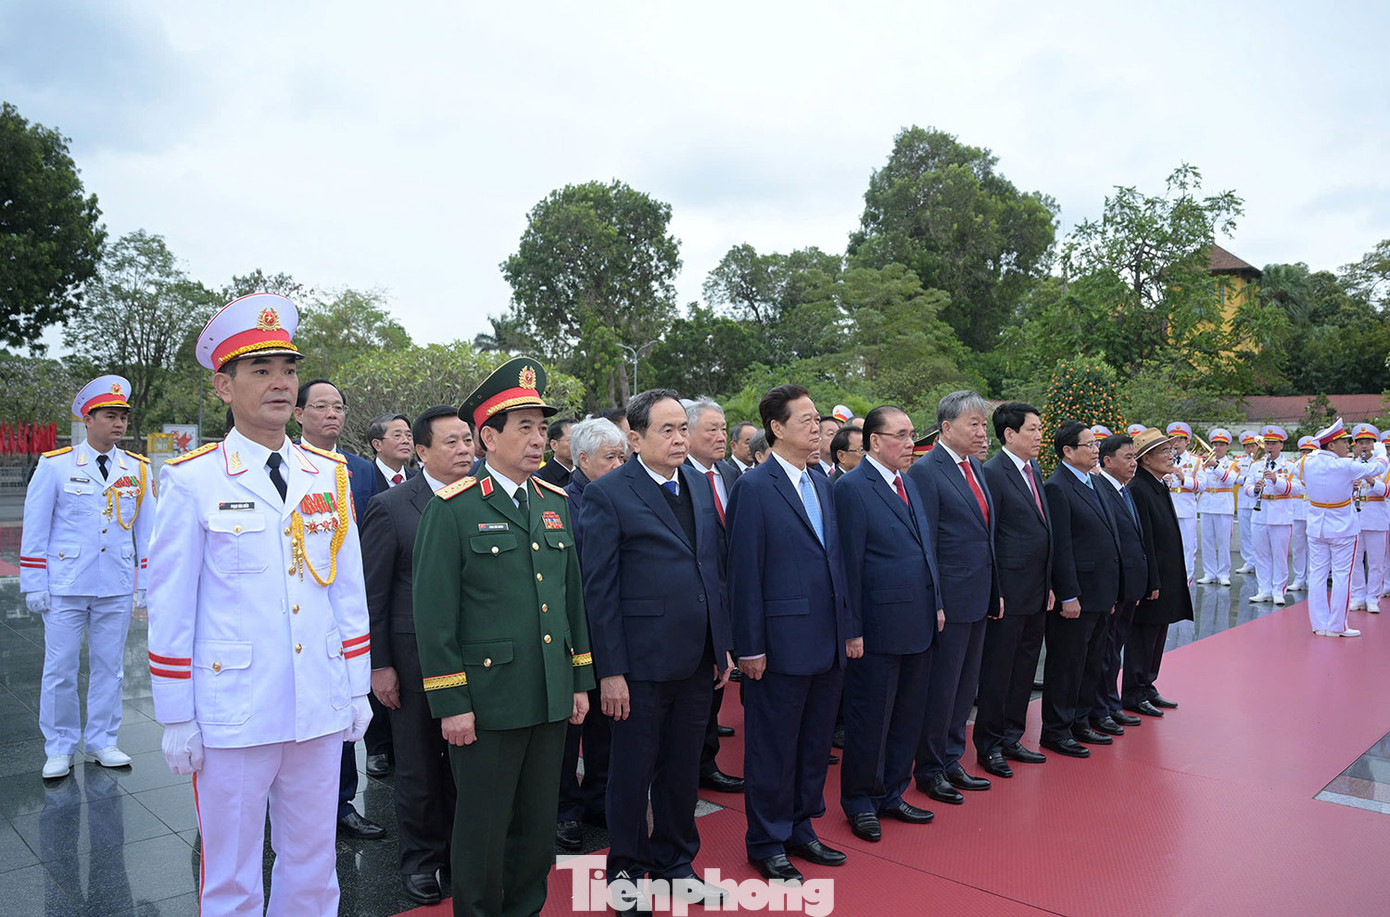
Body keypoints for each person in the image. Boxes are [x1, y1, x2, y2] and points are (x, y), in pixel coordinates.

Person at [147, 292, 373, 915]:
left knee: (312, 863)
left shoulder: (327, 474)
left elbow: (347, 590)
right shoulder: (192, 479)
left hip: (318, 700)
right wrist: (175, 714)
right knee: (232, 873)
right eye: (261, 371)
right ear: (224, 386)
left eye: (289, 370)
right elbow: (171, 604)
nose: (281, 383)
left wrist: (356, 686)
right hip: (234, 710)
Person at [412, 356, 595, 917]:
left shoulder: (555, 504)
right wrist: (451, 703)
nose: (539, 439)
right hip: (487, 701)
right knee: (484, 828)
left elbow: (571, 603)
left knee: (536, 828)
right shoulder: (454, 508)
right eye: (525, 428)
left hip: (547, 692)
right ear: (487, 437)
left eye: (542, 428)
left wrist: (579, 679)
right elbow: (434, 616)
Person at [579, 390, 733, 908]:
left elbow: (711, 569)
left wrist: (722, 645)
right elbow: (598, 590)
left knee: (682, 768)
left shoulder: (697, 482)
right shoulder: (610, 494)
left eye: (681, 429)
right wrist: (611, 671)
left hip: (696, 658)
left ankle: (675, 863)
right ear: (636, 437)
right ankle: (625, 876)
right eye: (665, 430)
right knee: (631, 772)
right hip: (639, 665)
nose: (678, 439)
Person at [726, 384, 856, 885]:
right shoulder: (755, 487)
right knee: (773, 747)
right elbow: (743, 572)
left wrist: (848, 628)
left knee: (814, 743)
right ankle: (766, 840)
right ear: (776, 429)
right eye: (805, 419)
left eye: (817, 417)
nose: (816, 425)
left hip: (827, 638)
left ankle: (802, 827)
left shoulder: (822, 481)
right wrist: (750, 645)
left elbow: (835, 561)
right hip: (778, 644)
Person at [360, 405, 474, 904]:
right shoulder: (391, 506)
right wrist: (379, 664)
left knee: (466, 762)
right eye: (451, 442)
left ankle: (461, 851)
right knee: (420, 764)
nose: (464, 450)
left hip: (474, 655)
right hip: (410, 661)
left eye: (469, 441)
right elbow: (374, 594)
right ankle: (422, 860)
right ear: (422, 451)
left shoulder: (483, 500)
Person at [21, 374, 154, 779]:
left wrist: (145, 583)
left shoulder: (137, 469)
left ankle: (102, 740)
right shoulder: (56, 465)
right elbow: (36, 526)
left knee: (109, 666)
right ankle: (59, 746)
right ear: (88, 419)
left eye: (123, 418)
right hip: (66, 583)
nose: (118, 425)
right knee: (59, 667)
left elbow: (148, 533)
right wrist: (34, 582)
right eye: (110, 416)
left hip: (114, 583)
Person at [835, 406, 942, 842]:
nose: (910, 443)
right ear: (874, 441)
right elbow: (849, 564)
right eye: (900, 435)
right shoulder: (852, 488)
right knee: (870, 719)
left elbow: (925, 549)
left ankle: (892, 792)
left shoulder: (910, 484)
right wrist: (853, 628)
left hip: (918, 620)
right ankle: (860, 800)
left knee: (906, 716)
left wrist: (936, 601)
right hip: (877, 627)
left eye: (912, 434)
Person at [292, 377, 391, 832]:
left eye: (338, 407)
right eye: (321, 406)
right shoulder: (289, 464)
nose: (332, 414)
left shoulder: (359, 468)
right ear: (299, 414)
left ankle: (342, 802)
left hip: (349, 598)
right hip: (299, 601)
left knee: (345, 704)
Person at [907, 391, 1001, 803]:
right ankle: (929, 768)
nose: (983, 432)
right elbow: (926, 544)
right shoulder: (926, 472)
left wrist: (995, 590)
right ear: (946, 427)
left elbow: (985, 536)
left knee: (964, 687)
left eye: (984, 424)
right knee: (941, 688)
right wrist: (937, 602)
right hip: (948, 600)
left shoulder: (975, 468)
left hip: (978, 596)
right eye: (975, 424)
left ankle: (950, 758)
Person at [556, 418, 627, 852]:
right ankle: (564, 809)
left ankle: (599, 797)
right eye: (610, 457)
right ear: (582, 460)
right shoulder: (562, 501)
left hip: (612, 627)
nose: (619, 464)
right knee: (571, 729)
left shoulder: (624, 495)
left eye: (623, 456)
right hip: (572, 630)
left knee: (608, 723)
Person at [974, 402, 1052, 778]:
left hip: (1037, 590)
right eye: (1033, 429)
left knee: (1024, 668)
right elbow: (992, 538)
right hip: (1008, 593)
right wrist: (997, 592)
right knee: (998, 671)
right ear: (1009, 434)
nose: (1039, 436)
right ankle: (988, 745)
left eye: (1040, 429)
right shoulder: (993, 472)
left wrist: (1050, 584)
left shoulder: (1033, 469)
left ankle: (1011, 735)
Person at [1041, 422, 1122, 758]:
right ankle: (1056, 730)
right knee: (1067, 663)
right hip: (1078, 594)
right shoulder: (1058, 487)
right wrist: (1068, 594)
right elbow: (1061, 547)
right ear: (1067, 452)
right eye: (1089, 445)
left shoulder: (1095, 482)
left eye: (1096, 444)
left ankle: (1080, 720)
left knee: (1092, 661)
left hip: (1102, 590)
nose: (1095, 450)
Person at [683, 399, 744, 795]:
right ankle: (696, 765)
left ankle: (706, 760)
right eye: (711, 430)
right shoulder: (678, 477)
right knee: (698, 690)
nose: (721, 437)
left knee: (718, 685)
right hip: (695, 603)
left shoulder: (728, 473)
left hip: (730, 596)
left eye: (724, 429)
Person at [1123, 428, 1194, 717]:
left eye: (1170, 450)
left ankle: (1148, 683)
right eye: (1163, 451)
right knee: (1143, 634)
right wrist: (1151, 579)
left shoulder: (1158, 484)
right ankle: (1133, 690)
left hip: (1166, 572)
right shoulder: (1139, 488)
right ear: (1146, 459)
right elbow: (1145, 539)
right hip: (1154, 576)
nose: (1170, 455)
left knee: (1158, 632)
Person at [1300, 420, 1387, 636]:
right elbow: (1378, 467)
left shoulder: (1306, 463)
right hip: (1342, 529)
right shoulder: (1345, 465)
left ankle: (1319, 624)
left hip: (1316, 527)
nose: (1348, 446)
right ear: (1331, 445)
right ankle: (1337, 625)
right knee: (1341, 576)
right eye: (1342, 442)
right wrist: (1381, 450)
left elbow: (1305, 462)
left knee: (1318, 575)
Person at [1093, 434, 1148, 733]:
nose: (1134, 463)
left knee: (1115, 650)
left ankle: (1111, 704)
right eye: (1127, 457)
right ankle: (1102, 707)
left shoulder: (1125, 491)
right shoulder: (1102, 490)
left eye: (1134, 456)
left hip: (1130, 586)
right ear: (1107, 460)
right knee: (1106, 651)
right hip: (1113, 587)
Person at [1243, 426, 1302, 606]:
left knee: (1280, 555)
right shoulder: (1256, 465)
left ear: (1281, 445)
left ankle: (1278, 590)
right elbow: (1246, 487)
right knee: (1261, 554)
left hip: (1280, 515)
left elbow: (1299, 489)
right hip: (1260, 515)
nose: (1269, 447)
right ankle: (1264, 589)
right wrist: (1254, 489)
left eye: (1274, 444)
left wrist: (1277, 480)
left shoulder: (1291, 466)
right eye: (1267, 443)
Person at [1349, 424, 1388, 612]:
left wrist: (1373, 481)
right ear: (1355, 445)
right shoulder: (1350, 464)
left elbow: (1388, 491)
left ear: (1374, 444)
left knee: (1376, 561)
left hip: (1376, 518)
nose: (1364, 446)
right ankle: (1357, 595)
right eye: (1361, 443)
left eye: (1368, 442)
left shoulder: (1384, 466)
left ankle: (1373, 597)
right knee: (1354, 560)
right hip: (1354, 518)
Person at [1195, 429, 1238, 586]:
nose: (1217, 447)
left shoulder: (1232, 463)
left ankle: (1223, 573)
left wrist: (1216, 466)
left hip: (1223, 505)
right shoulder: (1202, 463)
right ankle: (1209, 572)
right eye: (1215, 444)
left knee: (1224, 542)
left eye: (1221, 445)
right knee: (1206, 541)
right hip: (1206, 504)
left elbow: (1230, 480)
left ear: (1227, 447)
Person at [1165, 422, 1202, 583]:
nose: (1176, 443)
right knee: (1168, 546)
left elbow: (1203, 485)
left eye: (1181, 439)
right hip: (1168, 508)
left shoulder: (1196, 461)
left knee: (1187, 547)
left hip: (1186, 509)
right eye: (1173, 439)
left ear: (1187, 442)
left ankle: (1186, 581)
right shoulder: (1164, 459)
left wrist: (1184, 479)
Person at [1288, 436, 1318, 592]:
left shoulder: (1318, 469)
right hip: (1297, 510)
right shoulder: (1295, 469)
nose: (1306, 455)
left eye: (1309, 451)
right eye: (1303, 452)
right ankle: (1299, 577)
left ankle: (1312, 578)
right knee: (1298, 547)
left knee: (1313, 548)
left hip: (1313, 510)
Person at [1233, 431, 1261, 574]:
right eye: (1247, 447)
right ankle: (1249, 561)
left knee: (1259, 533)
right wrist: (1246, 479)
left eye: (1252, 446)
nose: (1250, 450)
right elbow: (1234, 478)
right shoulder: (1239, 461)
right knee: (1245, 534)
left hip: (1259, 502)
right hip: (1244, 501)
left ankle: (1259, 562)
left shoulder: (1264, 460)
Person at [368, 413, 415, 489]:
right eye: (397, 435)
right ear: (377, 445)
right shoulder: (365, 479)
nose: (406, 441)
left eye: (408, 435)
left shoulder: (419, 478)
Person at [536, 417, 576, 488]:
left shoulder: (588, 473)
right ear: (554, 445)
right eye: (571, 440)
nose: (577, 444)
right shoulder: (540, 479)